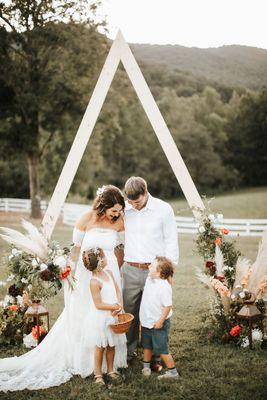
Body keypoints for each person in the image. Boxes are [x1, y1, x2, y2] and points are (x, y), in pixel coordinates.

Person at [0, 185, 126, 391]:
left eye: (120, 210)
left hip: (110, 271)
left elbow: (122, 245)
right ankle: (88, 362)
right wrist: (68, 271)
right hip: (87, 274)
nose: (117, 213)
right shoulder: (87, 218)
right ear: (103, 205)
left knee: (110, 315)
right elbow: (75, 248)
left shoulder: (120, 221)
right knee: (87, 312)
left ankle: (110, 364)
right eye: (114, 210)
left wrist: (116, 268)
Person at [122, 177, 179, 363]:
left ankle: (156, 354)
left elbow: (171, 240)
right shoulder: (125, 209)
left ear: (146, 193)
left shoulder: (163, 209)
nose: (133, 205)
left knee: (155, 312)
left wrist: (169, 271)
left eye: (136, 201)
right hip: (130, 269)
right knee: (129, 313)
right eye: (130, 201)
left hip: (155, 272)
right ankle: (129, 352)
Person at [82, 247, 126, 385]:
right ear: (100, 261)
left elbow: (118, 291)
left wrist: (119, 305)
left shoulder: (109, 273)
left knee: (112, 345)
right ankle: (98, 374)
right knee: (100, 346)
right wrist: (114, 306)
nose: (107, 259)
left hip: (113, 315)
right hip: (101, 318)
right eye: (105, 257)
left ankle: (111, 370)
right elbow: (98, 304)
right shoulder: (94, 281)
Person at [140, 256, 180, 379]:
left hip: (158, 322)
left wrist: (161, 321)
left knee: (162, 348)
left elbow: (167, 306)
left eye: (152, 266)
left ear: (159, 273)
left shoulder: (164, 287)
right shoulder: (149, 278)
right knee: (147, 344)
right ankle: (146, 366)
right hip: (147, 320)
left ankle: (173, 372)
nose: (148, 266)